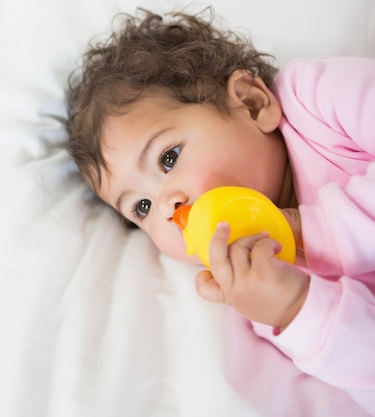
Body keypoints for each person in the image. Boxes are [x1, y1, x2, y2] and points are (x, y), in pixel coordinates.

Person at [65, 7, 375, 414]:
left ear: (250, 102)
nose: (166, 205)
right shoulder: (259, 283)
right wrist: (297, 309)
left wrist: (305, 230)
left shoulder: (315, 99)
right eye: (141, 207)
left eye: (168, 158)